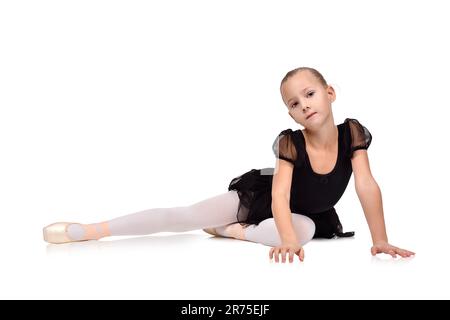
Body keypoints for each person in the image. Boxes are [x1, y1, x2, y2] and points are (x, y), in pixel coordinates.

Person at [43, 67, 415, 263]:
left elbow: (366, 185)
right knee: (184, 215)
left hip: (306, 215)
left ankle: (232, 232)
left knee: (303, 232)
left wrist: (379, 239)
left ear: (330, 93)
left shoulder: (352, 133)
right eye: (293, 102)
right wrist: (283, 238)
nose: (304, 104)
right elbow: (280, 195)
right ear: (289, 112)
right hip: (263, 199)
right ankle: (91, 229)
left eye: (310, 94)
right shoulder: (290, 141)